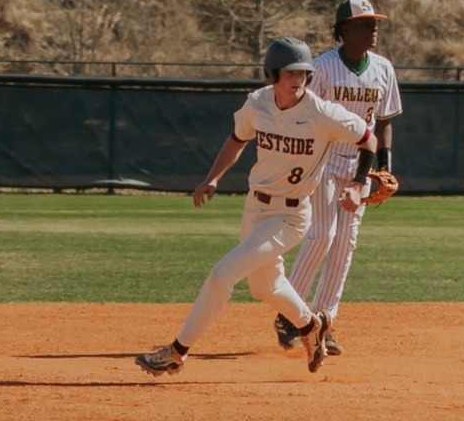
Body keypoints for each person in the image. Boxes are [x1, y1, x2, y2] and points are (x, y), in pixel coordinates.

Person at [135, 36, 377, 377]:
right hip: (255, 206)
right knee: (264, 286)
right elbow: (237, 139)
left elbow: (369, 139)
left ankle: (177, 352)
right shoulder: (258, 103)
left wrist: (357, 182)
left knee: (222, 275)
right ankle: (311, 327)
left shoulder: (323, 113)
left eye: (303, 73)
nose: (298, 79)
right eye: (290, 72)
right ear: (273, 74)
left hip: (290, 215)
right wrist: (212, 178)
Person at [273, 0, 403, 355]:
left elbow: (384, 121)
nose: (373, 29)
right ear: (345, 29)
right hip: (324, 160)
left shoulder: (383, 68)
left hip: (361, 163)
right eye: (365, 23)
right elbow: (301, 114)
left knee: (345, 243)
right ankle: (289, 314)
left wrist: (384, 165)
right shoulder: (323, 67)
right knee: (321, 236)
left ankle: (324, 320)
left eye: (374, 23)